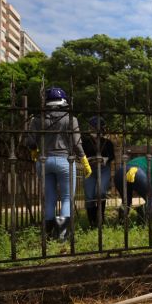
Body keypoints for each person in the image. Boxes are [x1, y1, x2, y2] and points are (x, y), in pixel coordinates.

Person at [25, 87, 92, 241]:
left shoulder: (37, 119)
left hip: (43, 162)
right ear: (64, 101)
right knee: (67, 198)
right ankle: (63, 236)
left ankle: (47, 236)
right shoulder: (70, 119)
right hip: (64, 161)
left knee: (49, 198)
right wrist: (84, 161)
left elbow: (30, 142)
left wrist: (35, 151)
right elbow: (77, 143)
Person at [115, 150, 152, 221]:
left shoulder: (144, 159)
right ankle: (146, 222)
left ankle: (121, 222)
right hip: (136, 171)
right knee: (151, 197)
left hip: (120, 172)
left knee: (126, 201)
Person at [81, 116, 115, 226]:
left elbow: (112, 156)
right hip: (90, 169)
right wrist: (89, 160)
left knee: (100, 192)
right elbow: (81, 155)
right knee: (89, 196)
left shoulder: (107, 142)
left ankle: (100, 218)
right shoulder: (85, 142)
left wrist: (105, 159)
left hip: (104, 169)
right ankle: (92, 222)